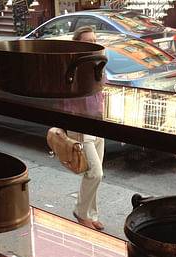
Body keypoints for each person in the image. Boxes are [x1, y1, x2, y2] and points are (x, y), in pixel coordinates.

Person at [66, 26, 106, 231]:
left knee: (95, 173)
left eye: (94, 40)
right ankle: (81, 212)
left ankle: (92, 214)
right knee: (95, 172)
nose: (93, 44)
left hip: (97, 123)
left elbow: (101, 92)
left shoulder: (98, 62)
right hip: (81, 125)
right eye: (88, 42)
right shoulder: (73, 66)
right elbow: (68, 99)